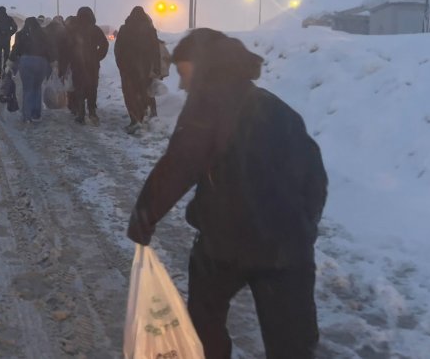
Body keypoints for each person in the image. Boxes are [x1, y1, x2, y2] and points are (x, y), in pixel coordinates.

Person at [126, 29, 328, 359]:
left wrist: (144, 216)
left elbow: (180, 164)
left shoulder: (208, 104)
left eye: (183, 72)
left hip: (226, 246)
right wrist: (304, 227)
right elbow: (315, 177)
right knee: (292, 343)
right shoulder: (276, 108)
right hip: (288, 249)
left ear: (203, 65)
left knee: (203, 325)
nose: (180, 84)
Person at [114, 6, 161, 134]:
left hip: (128, 68)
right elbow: (156, 50)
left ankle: (135, 120)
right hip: (145, 67)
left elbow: (118, 49)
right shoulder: (150, 30)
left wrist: (121, 65)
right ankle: (149, 116)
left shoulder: (125, 29)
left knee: (130, 94)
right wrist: (156, 67)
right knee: (146, 91)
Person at [59, 7, 108, 125]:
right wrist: (97, 56)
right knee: (92, 87)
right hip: (93, 65)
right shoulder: (95, 30)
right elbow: (104, 44)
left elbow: (66, 48)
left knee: (79, 87)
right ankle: (92, 112)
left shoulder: (73, 30)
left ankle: (80, 113)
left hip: (77, 64)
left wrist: (65, 64)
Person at [11, 17, 52, 122]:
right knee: (37, 88)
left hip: (26, 62)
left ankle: (27, 116)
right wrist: (52, 62)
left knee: (27, 89)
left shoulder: (20, 34)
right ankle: (36, 114)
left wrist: (11, 62)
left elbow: (16, 49)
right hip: (41, 62)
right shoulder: (44, 34)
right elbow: (49, 49)